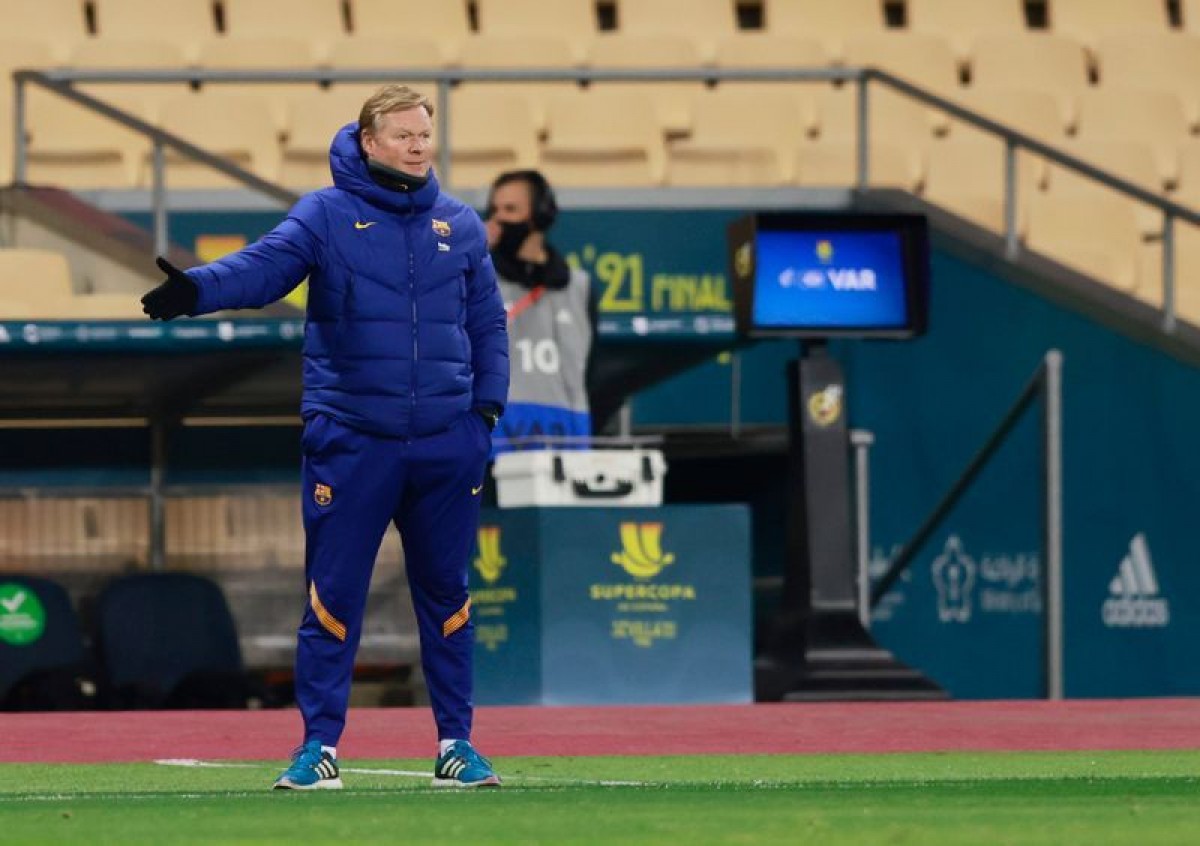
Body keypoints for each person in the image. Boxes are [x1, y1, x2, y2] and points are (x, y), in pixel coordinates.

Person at [140, 85, 508, 790]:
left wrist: (483, 414)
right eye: (403, 136)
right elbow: (264, 267)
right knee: (332, 597)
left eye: (424, 135)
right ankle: (319, 748)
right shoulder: (326, 214)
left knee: (449, 597)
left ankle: (456, 745)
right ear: (369, 142)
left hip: (446, 442)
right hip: (353, 441)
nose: (418, 147)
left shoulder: (460, 224)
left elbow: (487, 323)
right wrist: (199, 290)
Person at [484, 169, 592, 451]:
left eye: (510, 209)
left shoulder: (579, 287)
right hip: (494, 445)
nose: (498, 219)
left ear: (540, 216)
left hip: (565, 444)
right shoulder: (478, 280)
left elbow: (589, 370)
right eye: (494, 210)